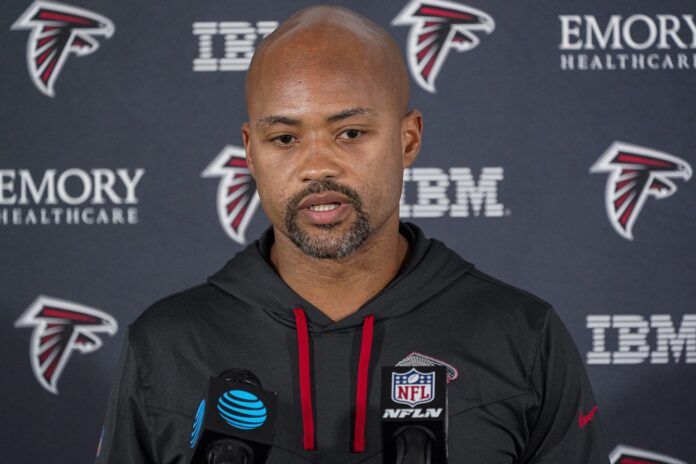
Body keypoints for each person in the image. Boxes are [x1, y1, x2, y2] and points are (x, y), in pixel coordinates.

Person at [96, 5, 609, 463]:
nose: (318, 166)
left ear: (408, 139)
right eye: (285, 138)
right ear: (251, 152)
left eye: (350, 133)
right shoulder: (166, 343)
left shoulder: (521, 335)